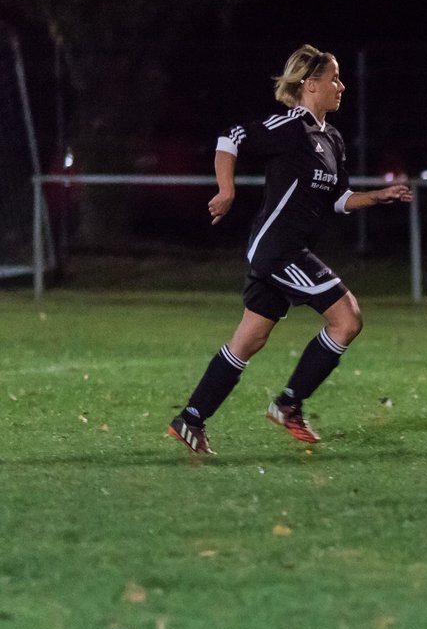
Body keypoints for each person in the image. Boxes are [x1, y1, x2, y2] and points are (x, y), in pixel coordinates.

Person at [167, 44, 412, 456]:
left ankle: (190, 418)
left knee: (249, 340)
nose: (341, 85)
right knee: (347, 318)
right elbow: (230, 138)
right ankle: (288, 404)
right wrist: (226, 190)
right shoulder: (290, 126)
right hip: (279, 251)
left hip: (284, 251)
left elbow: (339, 198)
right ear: (310, 85)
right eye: (334, 78)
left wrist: (378, 197)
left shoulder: (331, 138)